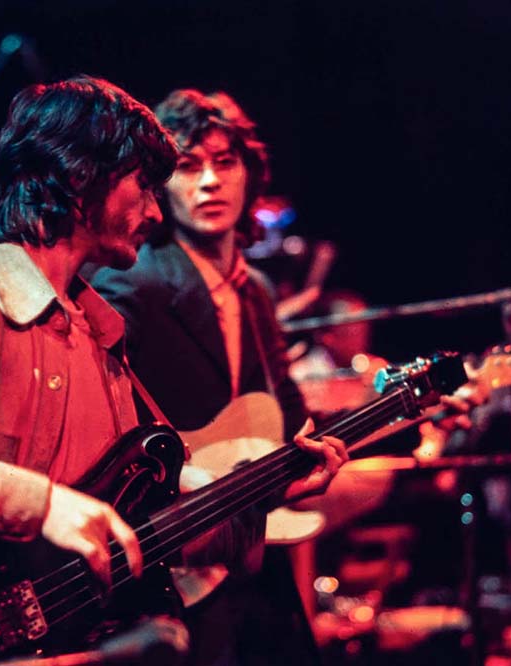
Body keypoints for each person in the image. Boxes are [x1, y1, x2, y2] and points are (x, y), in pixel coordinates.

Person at [0, 76, 347, 666]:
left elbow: (133, 524)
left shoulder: (99, 336)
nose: (153, 210)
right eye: (143, 185)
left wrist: (262, 493)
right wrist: (37, 502)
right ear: (83, 177)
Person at [90, 89, 347, 666]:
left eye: (224, 163)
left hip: (248, 543)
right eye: (188, 166)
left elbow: (286, 414)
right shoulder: (133, 286)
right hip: (173, 557)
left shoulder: (255, 292)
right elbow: (105, 426)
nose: (209, 182)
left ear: (249, 175)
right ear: (159, 185)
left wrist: (400, 412)